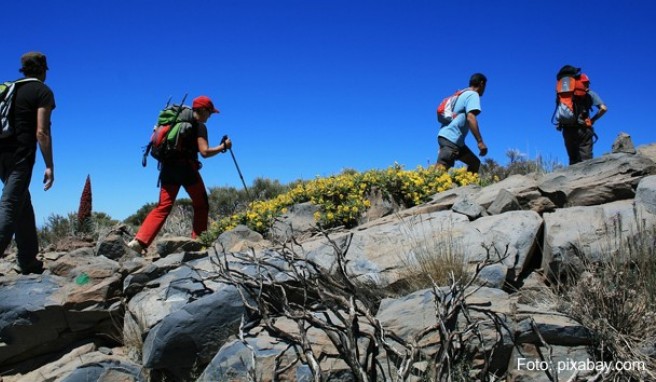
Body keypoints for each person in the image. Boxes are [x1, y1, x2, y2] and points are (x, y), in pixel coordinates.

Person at [128, 96, 232, 253]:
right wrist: (223, 146)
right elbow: (204, 152)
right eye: (210, 113)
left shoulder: (171, 123)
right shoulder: (199, 126)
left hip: (167, 169)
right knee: (201, 205)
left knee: (163, 206)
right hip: (187, 170)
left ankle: (140, 242)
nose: (209, 116)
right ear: (203, 110)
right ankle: (199, 242)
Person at [0, 52, 56, 274]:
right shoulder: (42, 91)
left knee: (23, 204)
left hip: (1, 155)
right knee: (11, 205)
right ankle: (26, 259)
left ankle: (27, 259)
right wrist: (49, 165)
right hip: (20, 156)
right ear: (43, 69)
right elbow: (42, 132)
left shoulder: (8, 89)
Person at [436, 73, 488, 173]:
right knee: (439, 172)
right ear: (481, 84)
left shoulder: (462, 94)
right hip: (451, 139)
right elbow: (471, 117)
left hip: (450, 139)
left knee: (474, 163)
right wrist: (480, 142)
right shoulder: (473, 95)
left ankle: (467, 187)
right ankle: (427, 187)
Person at [558, 70, 607, 165]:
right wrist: (593, 120)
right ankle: (588, 178)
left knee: (573, 159)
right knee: (586, 160)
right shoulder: (590, 94)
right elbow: (604, 108)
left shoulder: (565, 94)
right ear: (587, 83)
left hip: (567, 129)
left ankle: (574, 178)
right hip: (584, 129)